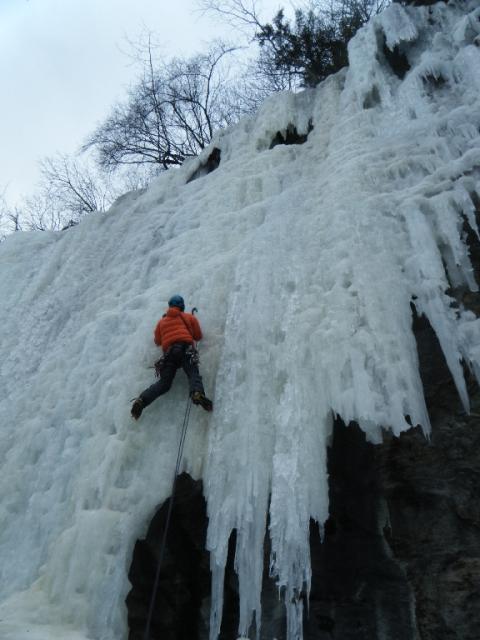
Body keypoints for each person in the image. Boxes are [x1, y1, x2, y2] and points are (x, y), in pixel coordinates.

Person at [131, 295, 213, 420]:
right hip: (185, 349)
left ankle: (142, 400)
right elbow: (198, 336)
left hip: (169, 354)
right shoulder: (188, 317)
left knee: (164, 383)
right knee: (192, 373)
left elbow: (157, 341)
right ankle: (197, 393)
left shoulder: (161, 322)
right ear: (182, 306)